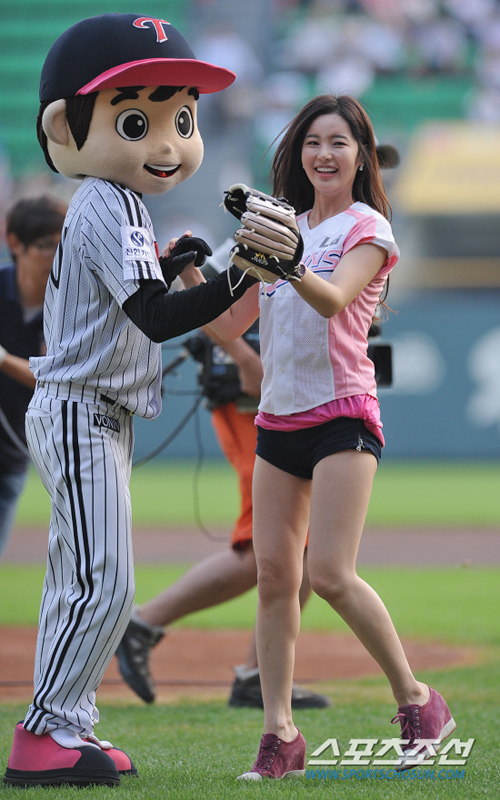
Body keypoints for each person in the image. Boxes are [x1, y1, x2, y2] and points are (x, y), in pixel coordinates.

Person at [3, 13, 259, 789]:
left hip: (89, 410)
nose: (169, 141)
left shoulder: (122, 205)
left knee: (79, 579)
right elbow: (154, 315)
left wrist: (184, 258)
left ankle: (65, 725)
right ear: (65, 128)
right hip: (81, 407)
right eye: (138, 120)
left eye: (182, 119)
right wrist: (242, 273)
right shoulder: (107, 201)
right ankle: (44, 733)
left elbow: (141, 293)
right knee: (104, 581)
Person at [179, 94, 456, 780]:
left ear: (361, 154)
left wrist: (289, 258)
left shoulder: (369, 227)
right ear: (296, 155)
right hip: (277, 418)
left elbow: (332, 299)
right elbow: (231, 321)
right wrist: (188, 273)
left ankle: (419, 701)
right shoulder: (284, 226)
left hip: (343, 414)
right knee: (275, 579)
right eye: (312, 142)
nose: (324, 154)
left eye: (338, 142)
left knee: (329, 572)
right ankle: (280, 738)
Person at [115, 318, 329, 710]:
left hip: (290, 393)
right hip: (251, 394)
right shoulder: (245, 254)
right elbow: (210, 295)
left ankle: (257, 674)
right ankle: (143, 624)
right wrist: (244, 357)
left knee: (301, 542)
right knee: (275, 543)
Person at [0, 196, 66, 558]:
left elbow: (55, 380)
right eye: (46, 246)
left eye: (64, 246)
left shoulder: (72, 309)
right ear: (15, 244)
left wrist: (3, 360)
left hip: (10, 456)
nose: (58, 257)